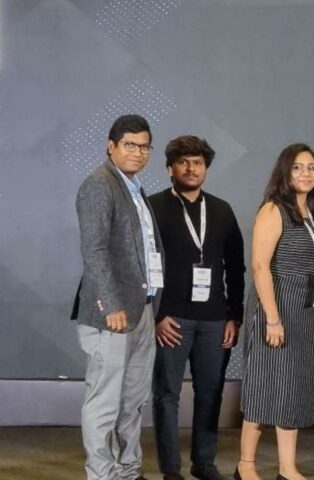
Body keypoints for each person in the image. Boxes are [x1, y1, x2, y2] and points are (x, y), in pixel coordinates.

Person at [149, 135, 245, 480]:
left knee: (210, 393)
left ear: (206, 168)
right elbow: (146, 265)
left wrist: (234, 316)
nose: (191, 169)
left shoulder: (221, 210)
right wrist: (157, 315)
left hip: (215, 320)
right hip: (170, 319)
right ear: (170, 168)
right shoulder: (153, 207)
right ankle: (171, 469)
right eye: (184, 162)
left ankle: (204, 463)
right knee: (166, 395)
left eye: (198, 163)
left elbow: (235, 267)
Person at [72, 114, 162, 480]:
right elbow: (94, 250)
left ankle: (127, 470)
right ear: (111, 146)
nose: (138, 152)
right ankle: (102, 474)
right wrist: (110, 304)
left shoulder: (134, 188)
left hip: (142, 309)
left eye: (144, 146)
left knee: (133, 399)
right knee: (105, 401)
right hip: (113, 313)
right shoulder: (100, 184)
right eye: (130, 145)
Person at [236, 143, 314, 480]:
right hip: (275, 306)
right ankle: (245, 465)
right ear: (285, 172)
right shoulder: (274, 210)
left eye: (311, 167)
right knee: (264, 385)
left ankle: (287, 468)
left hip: (306, 310)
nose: (306, 174)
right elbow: (260, 266)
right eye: (297, 167)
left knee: (292, 389)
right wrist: (273, 319)